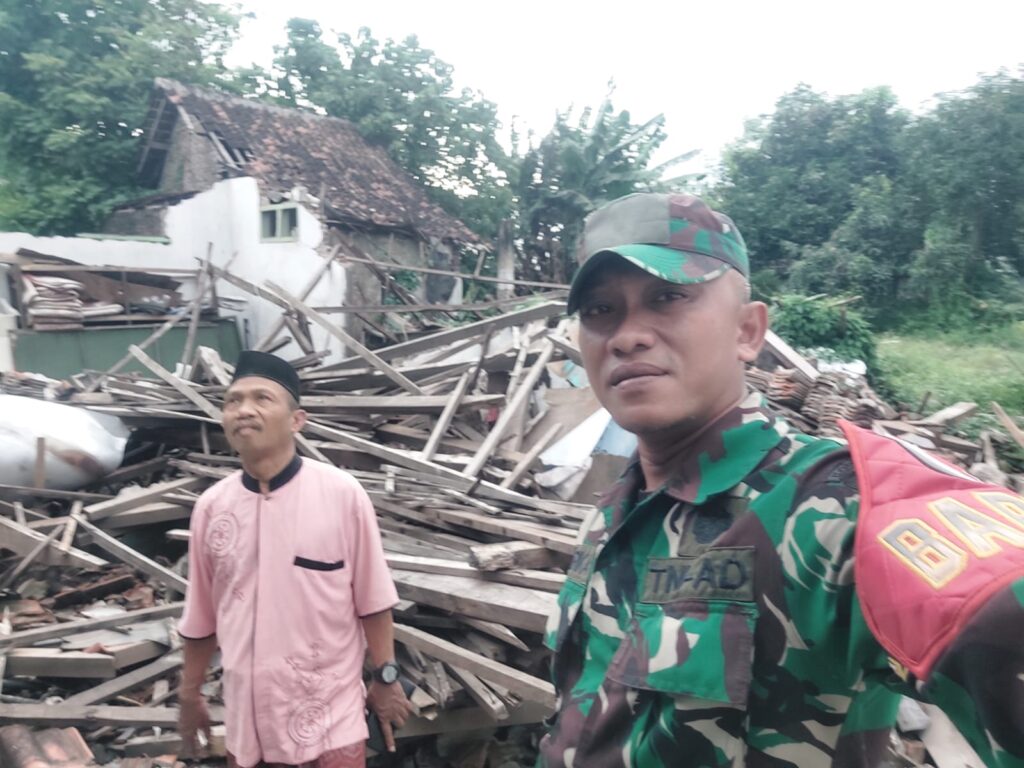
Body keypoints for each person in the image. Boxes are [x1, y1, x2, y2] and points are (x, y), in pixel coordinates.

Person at [537, 193, 1024, 767]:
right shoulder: (614, 510)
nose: (626, 336)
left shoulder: (844, 507)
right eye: (599, 311)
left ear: (748, 331)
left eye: (667, 298)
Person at [177, 351, 412, 768]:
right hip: (248, 726)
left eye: (262, 399)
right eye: (233, 401)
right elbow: (201, 617)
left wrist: (385, 678)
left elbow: (372, 600)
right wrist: (189, 692)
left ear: (296, 420)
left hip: (328, 723)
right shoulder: (213, 508)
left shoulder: (341, 495)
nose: (244, 410)